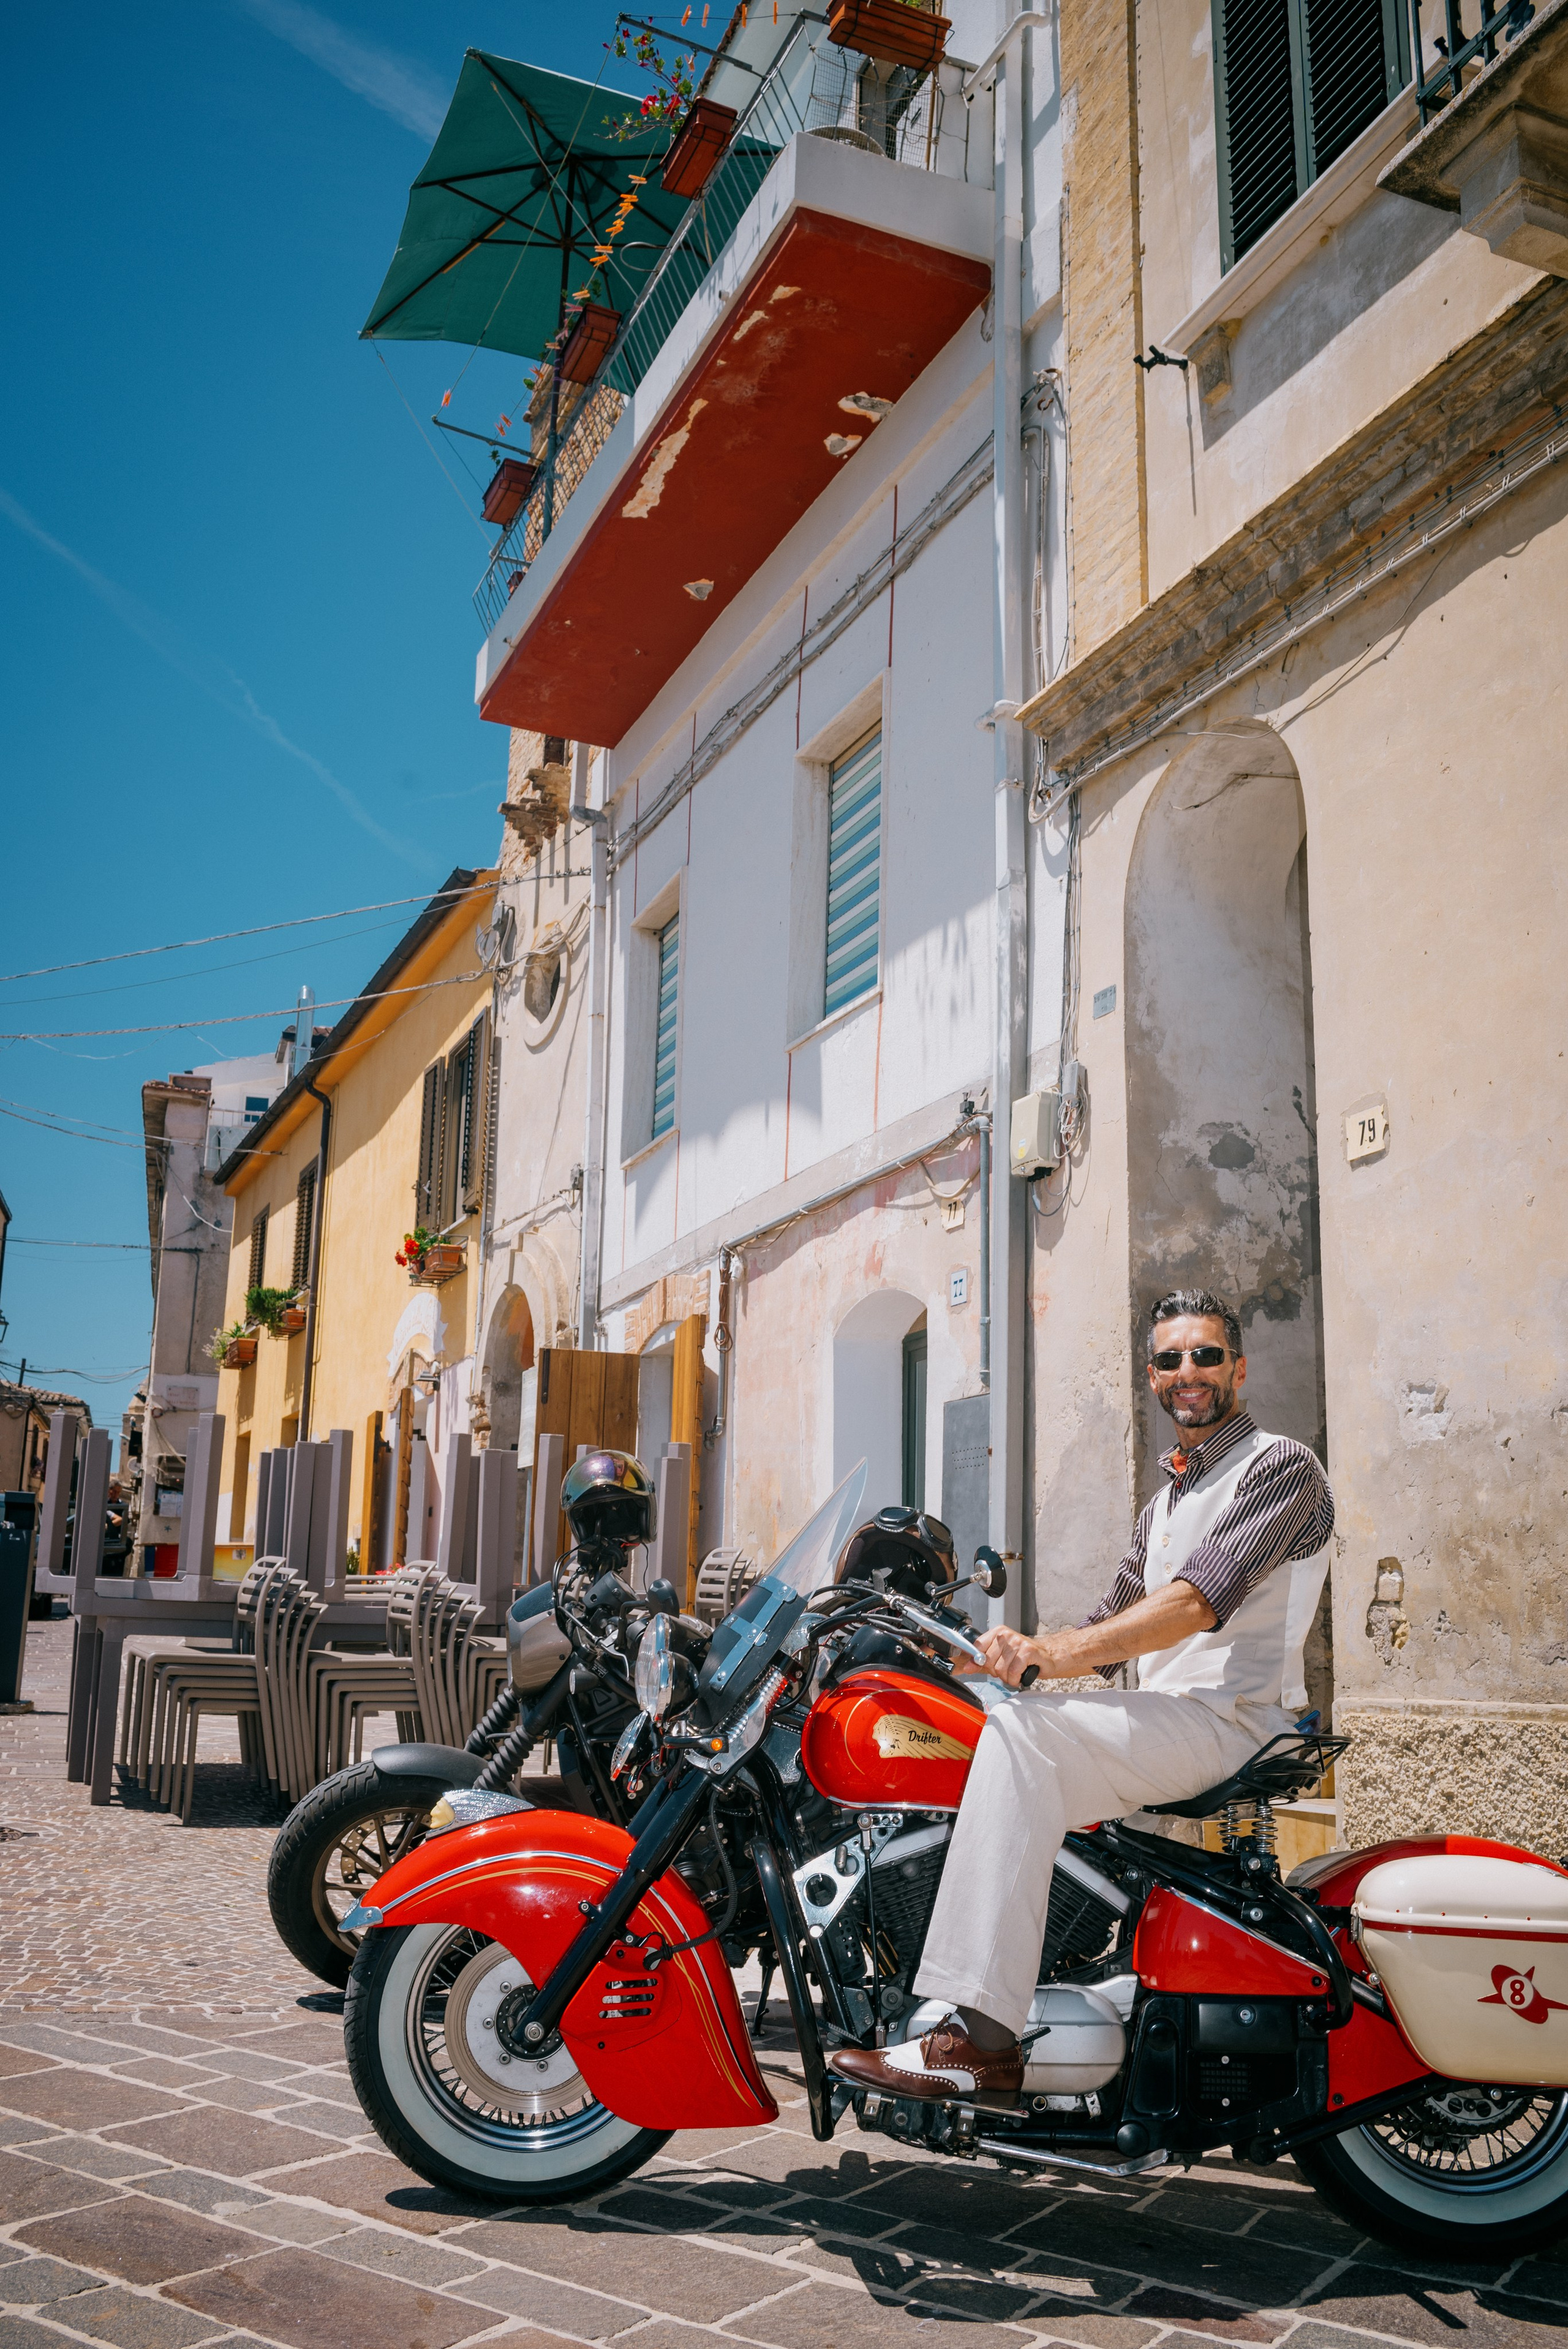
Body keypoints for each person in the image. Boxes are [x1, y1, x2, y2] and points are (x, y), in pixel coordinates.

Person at [830, 1286, 1335, 2110]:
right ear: (1152, 1377)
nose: (1188, 1372)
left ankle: (981, 2042)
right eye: (1170, 1359)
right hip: (1170, 1721)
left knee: (1027, 1739)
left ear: (1237, 1369)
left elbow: (1195, 1603)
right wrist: (972, 1663)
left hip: (1232, 1721)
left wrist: (1052, 1653)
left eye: (1206, 1355)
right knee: (989, 1721)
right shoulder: (1166, 1502)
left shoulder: (1279, 1468)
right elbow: (1111, 1628)